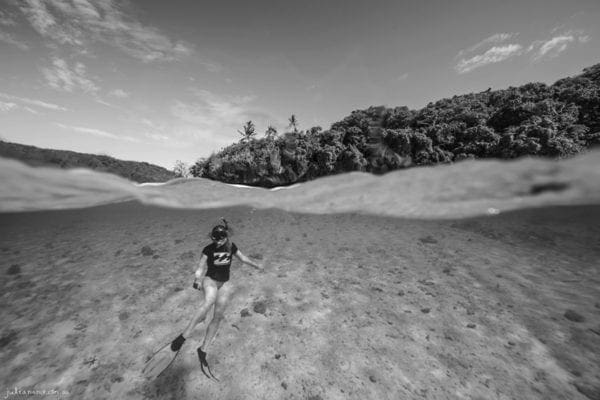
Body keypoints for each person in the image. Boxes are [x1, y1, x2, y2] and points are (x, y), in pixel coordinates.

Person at [170, 219, 262, 379]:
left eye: (220, 238)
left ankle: (203, 349)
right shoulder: (208, 249)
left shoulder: (231, 247)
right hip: (210, 281)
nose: (217, 241)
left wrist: (256, 265)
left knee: (218, 316)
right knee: (209, 302)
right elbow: (200, 267)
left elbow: (244, 258)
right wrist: (197, 279)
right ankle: (183, 336)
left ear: (226, 237)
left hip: (224, 283)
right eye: (215, 238)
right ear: (211, 237)